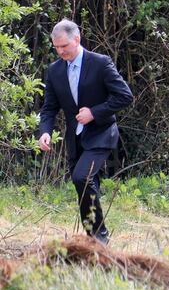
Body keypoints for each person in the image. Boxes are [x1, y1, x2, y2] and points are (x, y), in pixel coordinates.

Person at [38, 19, 133, 245]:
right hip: (75, 139)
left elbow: (125, 96)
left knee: (81, 177)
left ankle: (99, 239)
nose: (60, 52)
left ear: (77, 39)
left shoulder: (100, 63)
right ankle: (94, 240)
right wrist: (45, 131)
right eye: (56, 47)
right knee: (86, 184)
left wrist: (95, 112)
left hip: (101, 133)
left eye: (64, 46)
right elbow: (49, 107)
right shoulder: (54, 71)